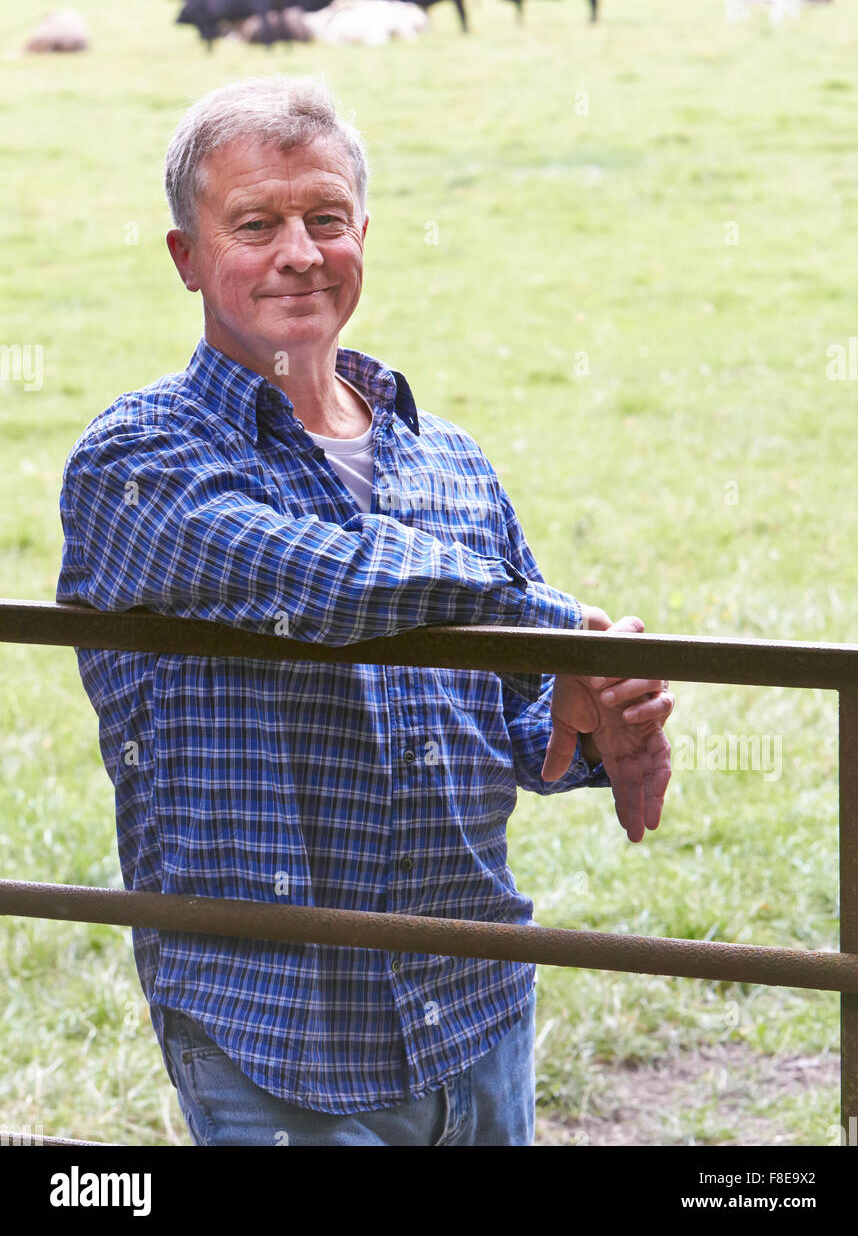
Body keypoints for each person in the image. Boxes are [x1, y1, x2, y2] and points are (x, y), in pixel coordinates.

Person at [56, 75, 674, 1147]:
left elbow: (513, 716)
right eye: (255, 224)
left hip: (473, 1004)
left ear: (361, 235)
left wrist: (593, 725)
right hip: (277, 1028)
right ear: (186, 258)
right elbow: (330, 581)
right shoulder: (137, 459)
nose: (298, 250)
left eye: (324, 218)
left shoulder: (447, 461)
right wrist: (554, 617)